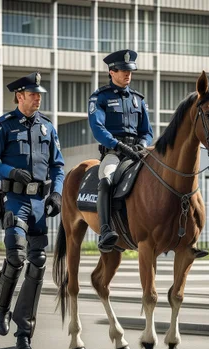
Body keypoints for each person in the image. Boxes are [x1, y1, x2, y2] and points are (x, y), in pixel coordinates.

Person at [0, 72, 64, 349]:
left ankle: (23, 338)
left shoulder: (47, 127)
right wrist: (9, 172)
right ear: (19, 96)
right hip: (14, 201)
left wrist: (56, 194)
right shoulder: (4, 125)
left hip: (39, 203)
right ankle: (2, 306)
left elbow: (58, 165)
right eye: (32, 93)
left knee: (38, 263)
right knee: (16, 256)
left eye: (39, 93)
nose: (38, 97)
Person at [88, 49, 153, 253]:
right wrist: (117, 145)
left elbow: (147, 130)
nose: (128, 74)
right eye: (123, 70)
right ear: (112, 71)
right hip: (114, 153)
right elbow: (98, 128)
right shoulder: (100, 97)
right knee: (106, 179)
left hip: (137, 151)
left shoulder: (138, 99)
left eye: (130, 70)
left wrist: (142, 144)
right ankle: (106, 230)